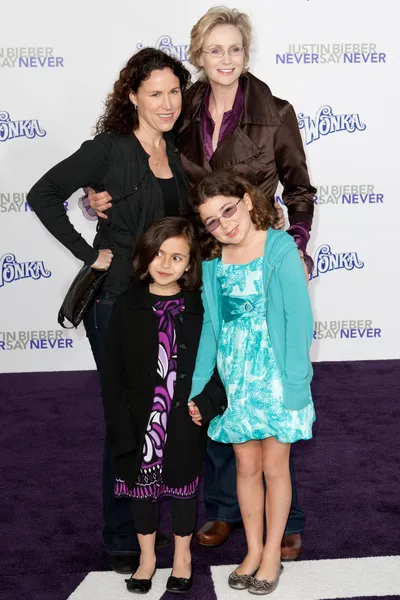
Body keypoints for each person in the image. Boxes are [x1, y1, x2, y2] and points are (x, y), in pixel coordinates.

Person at [87, 6, 316, 557]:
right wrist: (98, 195)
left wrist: (298, 247)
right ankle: (224, 508)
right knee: (214, 384)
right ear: (199, 55)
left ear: (246, 52)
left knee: (274, 386)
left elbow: (300, 191)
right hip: (201, 267)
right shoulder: (180, 109)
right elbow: (140, 163)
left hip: (258, 263)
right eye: (214, 50)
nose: (226, 59)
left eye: (235, 48)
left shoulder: (276, 112)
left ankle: (289, 517)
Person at [26, 48, 192, 574]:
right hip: (118, 301)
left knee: (164, 415)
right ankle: (122, 534)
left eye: (174, 91)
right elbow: (43, 192)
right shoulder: (110, 149)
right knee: (128, 416)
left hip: (166, 304)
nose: (167, 103)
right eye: (155, 94)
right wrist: (87, 252)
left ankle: (149, 526)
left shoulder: (176, 149)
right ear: (132, 97)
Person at [187, 171, 315, 595]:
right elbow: (211, 329)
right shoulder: (212, 264)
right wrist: (201, 387)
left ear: (245, 199)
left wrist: (297, 383)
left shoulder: (278, 247)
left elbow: (298, 320)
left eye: (228, 210)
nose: (225, 225)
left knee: (276, 467)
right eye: (212, 222)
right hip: (235, 379)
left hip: (277, 376)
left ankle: (273, 552)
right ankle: (253, 549)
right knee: (246, 467)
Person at [101, 217, 225, 594]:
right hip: (140, 420)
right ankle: (148, 558)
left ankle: (183, 557)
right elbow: (112, 375)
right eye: (158, 254)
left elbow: (221, 360)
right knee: (142, 490)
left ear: (190, 265)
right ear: (145, 255)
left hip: (184, 417)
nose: (165, 263)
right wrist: (119, 427)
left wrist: (208, 402)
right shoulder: (127, 304)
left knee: (185, 489)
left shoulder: (200, 308)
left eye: (176, 257)